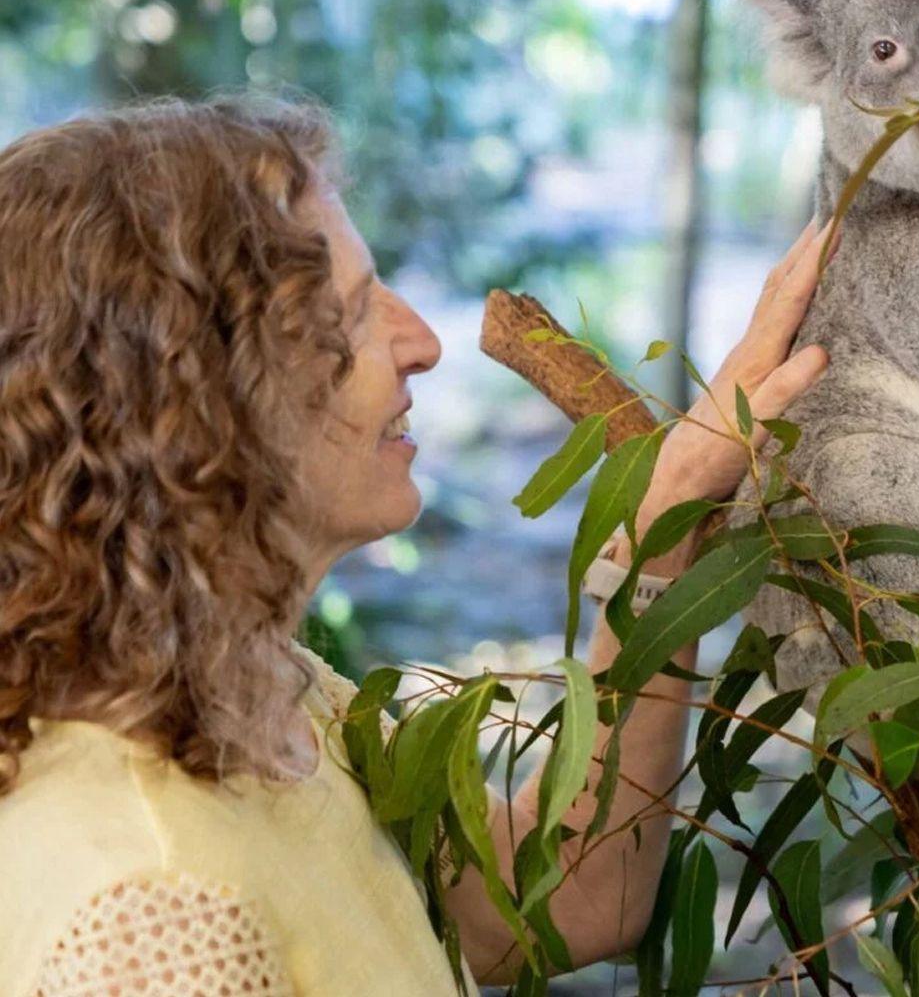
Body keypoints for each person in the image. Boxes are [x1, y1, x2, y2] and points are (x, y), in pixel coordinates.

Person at [0, 97, 829, 993]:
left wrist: (660, 535)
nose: (424, 343)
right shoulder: (153, 923)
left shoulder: (260, 694)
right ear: (196, 403)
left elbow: (562, 900)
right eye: (352, 313)